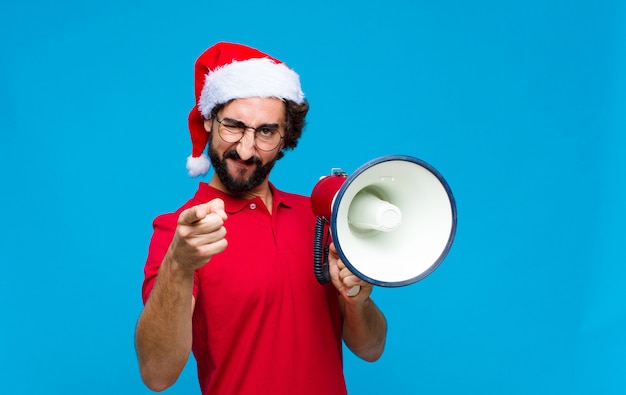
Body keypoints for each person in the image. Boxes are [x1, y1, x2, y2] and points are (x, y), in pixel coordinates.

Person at [134, 42, 387, 395]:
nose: (246, 149)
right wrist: (178, 264)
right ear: (209, 119)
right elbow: (157, 374)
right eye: (234, 126)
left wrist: (357, 299)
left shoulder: (320, 218)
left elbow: (371, 349)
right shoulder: (181, 232)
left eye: (266, 132)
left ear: (285, 138)